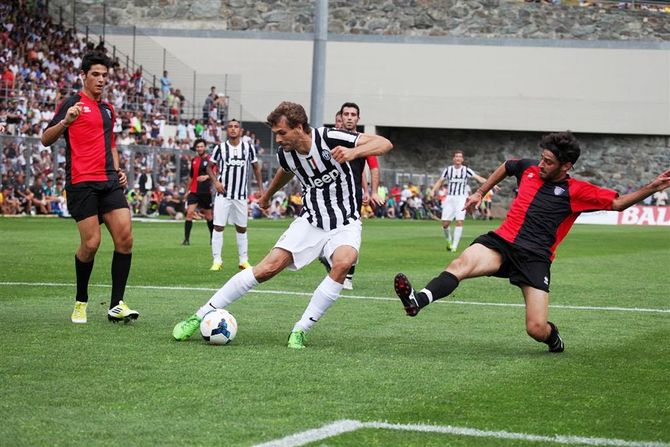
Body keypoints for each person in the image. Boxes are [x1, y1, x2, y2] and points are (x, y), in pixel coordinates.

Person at [393, 131, 670, 353]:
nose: (541, 164)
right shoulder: (528, 169)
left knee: (536, 329)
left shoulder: (577, 191)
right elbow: (507, 166)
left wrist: (652, 187)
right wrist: (480, 192)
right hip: (502, 242)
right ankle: (417, 300)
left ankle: (553, 338)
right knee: (460, 264)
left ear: (566, 166)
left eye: (548, 162)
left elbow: (618, 203)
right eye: (541, 158)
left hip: (535, 258)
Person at [173, 101, 392, 348]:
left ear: (299, 127)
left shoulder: (330, 137)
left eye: (282, 133)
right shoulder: (286, 153)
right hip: (311, 221)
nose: (277, 139)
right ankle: (199, 315)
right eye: (275, 133)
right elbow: (286, 170)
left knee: (343, 262)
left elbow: (384, 144)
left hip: (345, 223)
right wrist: (267, 196)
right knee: (266, 269)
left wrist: (353, 153)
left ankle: (300, 329)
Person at [41, 51, 139, 324]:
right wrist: (66, 122)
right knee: (92, 243)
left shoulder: (108, 109)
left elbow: (111, 145)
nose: (101, 79)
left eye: (104, 75)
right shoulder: (71, 103)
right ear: (83, 75)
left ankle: (116, 305)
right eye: (95, 74)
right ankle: (81, 302)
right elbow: (45, 139)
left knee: (125, 239)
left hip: (109, 182)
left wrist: (118, 171)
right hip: (81, 183)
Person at [330, 102, 381, 289]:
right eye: (346, 114)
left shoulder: (362, 141)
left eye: (353, 115)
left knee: (352, 233)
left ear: (358, 118)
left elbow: (373, 167)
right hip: (330, 194)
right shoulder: (330, 139)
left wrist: (372, 191)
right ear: (340, 118)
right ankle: (332, 261)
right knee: (329, 232)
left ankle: (348, 276)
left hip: (352, 196)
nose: (349, 118)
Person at [206, 119, 264, 271]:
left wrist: (261, 189)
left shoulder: (248, 148)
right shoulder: (220, 148)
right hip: (223, 194)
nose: (233, 129)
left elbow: (256, 167)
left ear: (241, 131)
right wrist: (216, 182)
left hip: (240, 195)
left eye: (236, 127)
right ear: (227, 130)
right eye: (230, 127)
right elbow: (209, 167)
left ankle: (243, 260)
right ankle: (217, 260)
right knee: (218, 226)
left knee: (242, 228)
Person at [429, 150, 489, 252]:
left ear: (462, 159)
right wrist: (433, 190)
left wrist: (491, 184)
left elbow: (478, 178)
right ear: (453, 159)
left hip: (461, 198)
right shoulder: (448, 170)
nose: (458, 158)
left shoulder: (466, 170)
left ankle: (454, 246)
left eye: (460, 157)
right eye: (456, 156)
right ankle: (449, 241)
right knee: (445, 224)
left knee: (459, 221)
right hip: (450, 198)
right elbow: (440, 181)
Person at [182, 138, 214, 245]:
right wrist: (187, 191)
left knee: (208, 217)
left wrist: (206, 176)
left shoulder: (210, 160)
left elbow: (215, 173)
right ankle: (186, 240)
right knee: (189, 213)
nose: (199, 148)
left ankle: (213, 238)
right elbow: (191, 177)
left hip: (205, 192)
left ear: (205, 147)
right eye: (198, 147)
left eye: (201, 146)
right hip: (194, 191)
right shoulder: (194, 160)